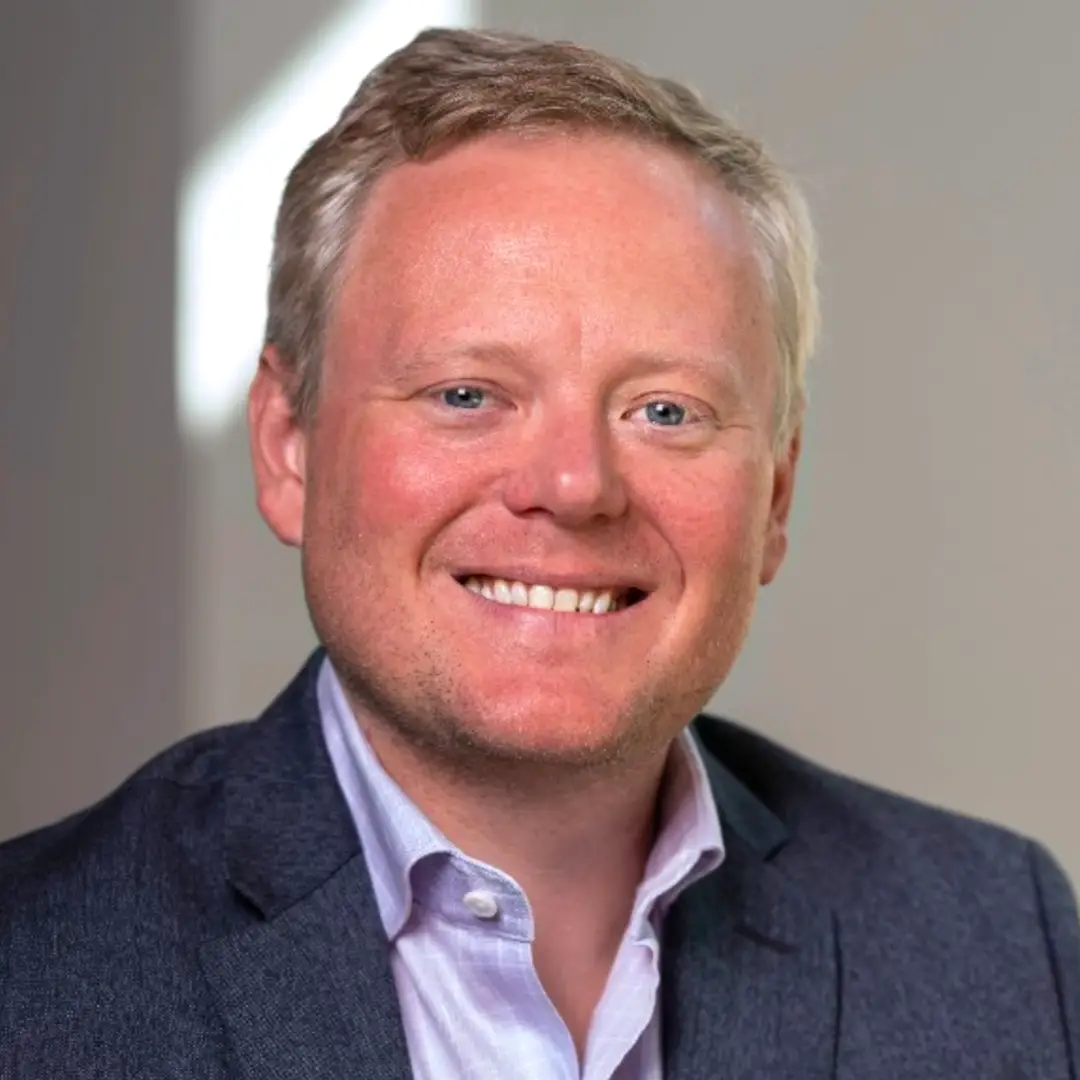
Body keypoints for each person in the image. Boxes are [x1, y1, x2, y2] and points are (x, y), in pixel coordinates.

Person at [1, 26, 1077, 1080]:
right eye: (466, 394)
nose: (574, 486)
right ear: (290, 448)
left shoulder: (999, 944)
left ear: (776, 497)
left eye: (665, 410)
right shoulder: (32, 978)